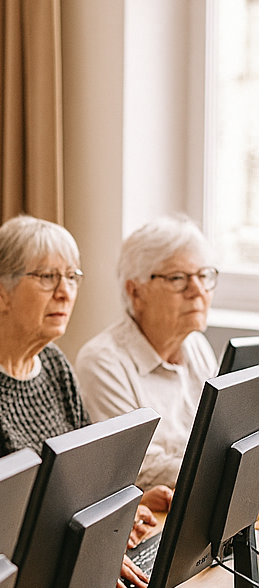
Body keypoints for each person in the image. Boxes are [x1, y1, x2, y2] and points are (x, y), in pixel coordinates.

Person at [0, 215, 154, 588]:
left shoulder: (55, 362)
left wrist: (118, 512)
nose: (65, 292)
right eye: (46, 277)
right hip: (5, 578)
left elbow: (87, 471)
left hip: (59, 560)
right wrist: (84, 542)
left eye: (72, 277)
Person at [75, 217, 218, 508]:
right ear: (135, 291)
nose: (198, 290)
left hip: (201, 503)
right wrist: (225, 472)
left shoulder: (196, 346)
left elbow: (219, 436)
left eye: (203, 276)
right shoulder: (102, 361)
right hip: (156, 514)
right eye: (178, 278)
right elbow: (140, 466)